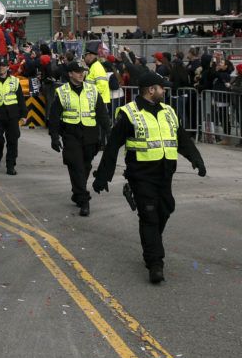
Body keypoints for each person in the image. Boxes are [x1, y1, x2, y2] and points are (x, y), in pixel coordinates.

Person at [93, 72, 206, 284]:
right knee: (150, 216)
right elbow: (112, 146)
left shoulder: (169, 111)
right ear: (151, 90)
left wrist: (197, 160)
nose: (165, 91)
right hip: (141, 175)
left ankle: (152, 242)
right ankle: (155, 263)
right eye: (162, 87)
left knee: (165, 209)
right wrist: (103, 177)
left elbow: (182, 139)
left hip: (165, 173)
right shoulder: (129, 113)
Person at [48, 61, 110, 216]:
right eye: (77, 71)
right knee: (76, 165)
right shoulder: (62, 92)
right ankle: (84, 200)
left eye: (82, 71)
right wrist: (54, 137)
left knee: (85, 166)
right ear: (70, 74)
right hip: (71, 133)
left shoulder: (92, 90)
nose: (81, 74)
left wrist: (109, 132)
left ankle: (77, 193)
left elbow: (102, 113)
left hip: (90, 133)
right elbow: (54, 117)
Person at [0, 58, 26, 175]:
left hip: (12, 115)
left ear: (8, 67)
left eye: (3, 66)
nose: (1, 68)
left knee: (13, 141)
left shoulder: (15, 81)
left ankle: (10, 166)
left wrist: (24, 114)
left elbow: (20, 99)